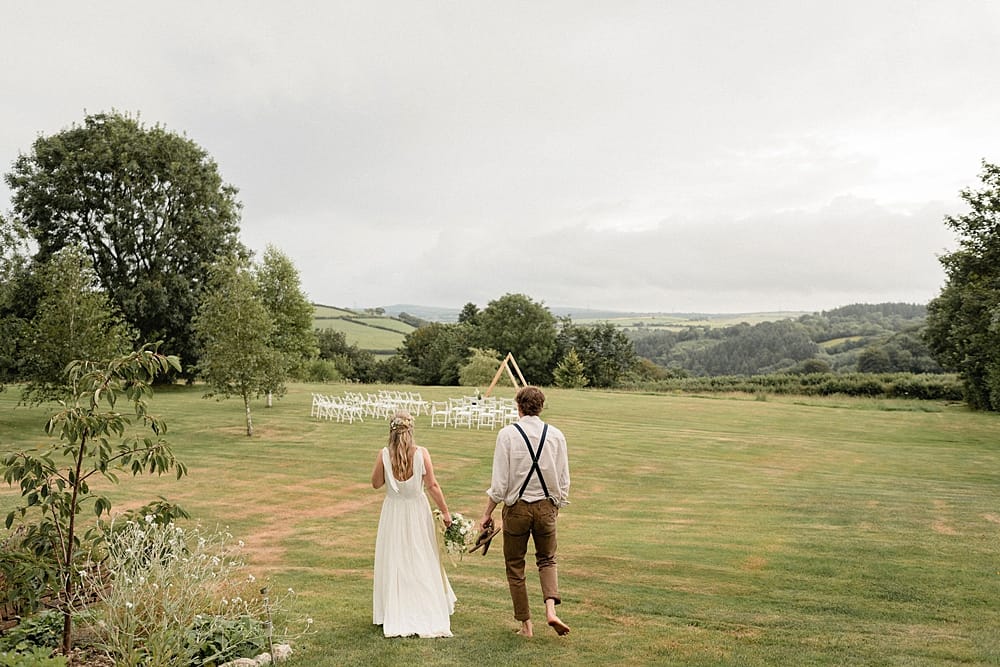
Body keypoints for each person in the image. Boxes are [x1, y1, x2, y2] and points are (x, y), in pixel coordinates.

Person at [480, 386, 571, 637]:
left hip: (517, 508)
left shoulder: (507, 434)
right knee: (547, 559)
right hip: (546, 506)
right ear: (541, 407)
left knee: (515, 565)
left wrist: (487, 513)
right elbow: (564, 479)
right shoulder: (556, 435)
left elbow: (500, 484)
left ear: (518, 406)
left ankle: (526, 624)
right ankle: (551, 610)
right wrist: (556, 505)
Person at [371, 410, 457, 638]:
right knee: (422, 554)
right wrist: (445, 511)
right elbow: (432, 486)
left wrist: (389, 469)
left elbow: (376, 483)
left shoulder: (384, 455)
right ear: (411, 430)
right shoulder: (421, 454)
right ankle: (424, 603)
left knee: (395, 556)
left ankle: (395, 606)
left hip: (393, 512)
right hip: (417, 510)